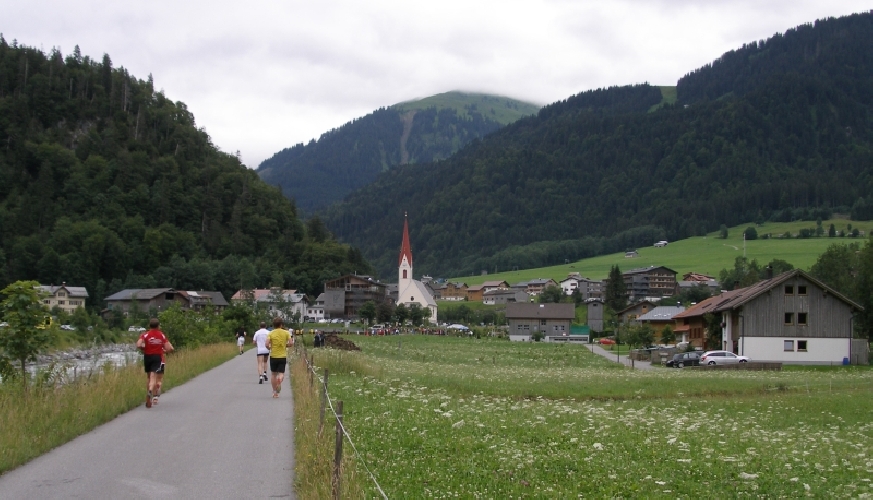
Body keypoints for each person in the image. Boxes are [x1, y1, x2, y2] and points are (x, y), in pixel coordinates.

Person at [136, 318, 174, 409]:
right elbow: (170, 348)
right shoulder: (161, 335)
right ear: (158, 326)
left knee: (149, 377)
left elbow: (138, 344)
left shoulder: (145, 335)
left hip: (147, 357)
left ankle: (150, 394)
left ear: (149, 326)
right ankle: (153, 393)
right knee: (156, 378)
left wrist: (143, 348)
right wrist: (164, 351)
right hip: (157, 357)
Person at [265, 317, 293, 398]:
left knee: (273, 374)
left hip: (273, 356)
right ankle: (280, 379)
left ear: (273, 325)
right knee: (281, 373)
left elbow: (266, 344)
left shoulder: (271, 333)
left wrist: (270, 348)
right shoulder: (286, 332)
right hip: (282, 356)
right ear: (281, 324)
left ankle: (274, 392)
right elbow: (291, 343)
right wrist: (286, 345)